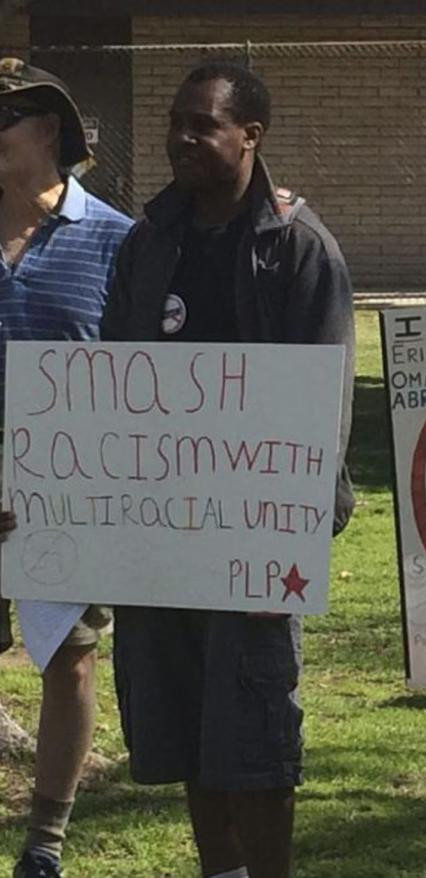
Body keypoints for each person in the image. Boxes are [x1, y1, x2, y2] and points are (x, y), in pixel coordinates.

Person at [101, 61, 354, 878]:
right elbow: (109, 385)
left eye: (202, 125)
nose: (182, 138)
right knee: (184, 733)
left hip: (254, 545)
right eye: (176, 122)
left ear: (251, 135)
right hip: (160, 541)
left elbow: (326, 405)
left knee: (254, 737)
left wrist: (295, 529)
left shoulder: (297, 247)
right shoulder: (148, 243)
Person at [0, 57, 133, 878]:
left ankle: (45, 838)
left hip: (67, 495)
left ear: (49, 131)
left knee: (70, 654)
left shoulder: (119, 240)